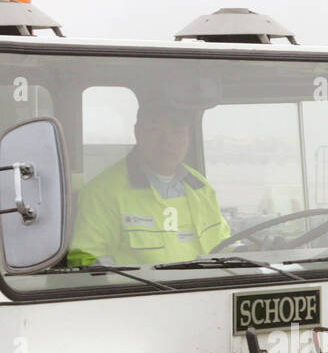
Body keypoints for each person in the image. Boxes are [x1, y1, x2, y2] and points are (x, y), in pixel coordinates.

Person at [68, 90, 230, 267]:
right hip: (143, 293)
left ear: (188, 137)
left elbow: (224, 247)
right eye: (155, 130)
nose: (167, 141)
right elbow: (83, 259)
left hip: (208, 290)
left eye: (177, 132)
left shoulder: (201, 188)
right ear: (138, 133)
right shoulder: (101, 192)